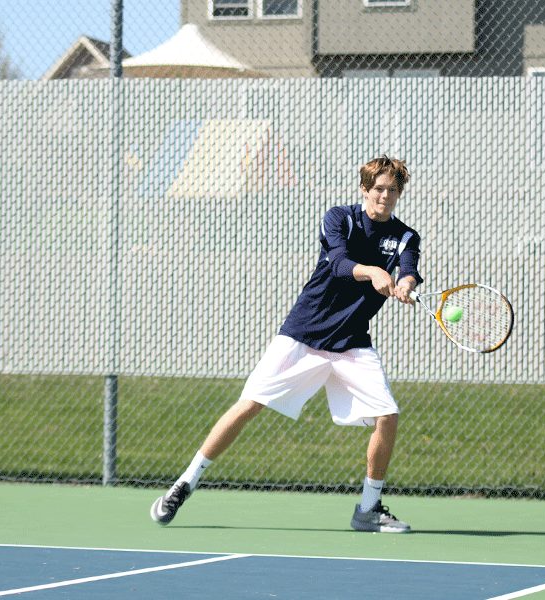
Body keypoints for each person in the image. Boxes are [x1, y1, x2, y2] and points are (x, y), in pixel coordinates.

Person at [150, 156, 422, 533]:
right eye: (378, 188)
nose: (385, 196)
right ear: (364, 188)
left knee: (388, 415)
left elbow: (408, 268)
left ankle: (368, 508)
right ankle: (184, 484)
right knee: (248, 406)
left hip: (351, 343)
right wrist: (373, 271)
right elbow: (340, 263)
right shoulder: (339, 218)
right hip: (303, 334)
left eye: (393, 190)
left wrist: (405, 283)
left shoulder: (406, 236)